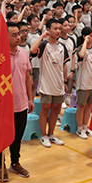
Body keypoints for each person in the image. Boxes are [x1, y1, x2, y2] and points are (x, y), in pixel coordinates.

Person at [0, 22, 33, 182]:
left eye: (19, 34)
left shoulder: (24, 53)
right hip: (3, 106)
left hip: (21, 103)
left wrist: (30, 98)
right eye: (14, 35)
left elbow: (27, 76)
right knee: (0, 138)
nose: (19, 37)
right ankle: (0, 165)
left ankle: (15, 162)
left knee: (17, 136)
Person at [30, 19, 69, 147]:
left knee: (56, 110)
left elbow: (64, 65)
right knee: (45, 109)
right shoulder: (43, 45)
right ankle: (43, 136)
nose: (58, 31)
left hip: (59, 85)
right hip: (46, 85)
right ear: (48, 30)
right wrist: (42, 36)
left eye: (59, 28)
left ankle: (51, 134)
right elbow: (32, 50)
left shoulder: (62, 46)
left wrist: (65, 81)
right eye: (55, 28)